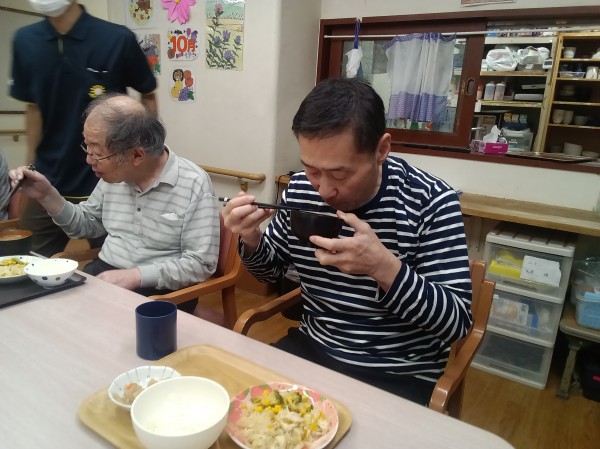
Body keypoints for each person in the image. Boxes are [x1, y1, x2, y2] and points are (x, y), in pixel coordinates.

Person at [222, 78, 473, 405]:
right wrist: (251, 237)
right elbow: (269, 272)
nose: (324, 190)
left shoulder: (430, 202)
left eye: (340, 174)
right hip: (314, 349)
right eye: (312, 170)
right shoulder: (301, 190)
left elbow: (456, 324)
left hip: (398, 370)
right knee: (240, 409)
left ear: (381, 150)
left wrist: (384, 268)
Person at [9, 94, 219, 310]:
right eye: (87, 147)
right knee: (41, 310)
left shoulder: (193, 182)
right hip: (106, 273)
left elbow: (200, 264)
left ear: (137, 155)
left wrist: (136, 276)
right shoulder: (114, 178)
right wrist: (46, 194)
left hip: (163, 290)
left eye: (97, 153)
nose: (89, 160)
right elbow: (85, 225)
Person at [9, 0, 158, 256]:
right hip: (48, 176)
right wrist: (30, 165)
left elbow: (148, 93)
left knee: (113, 262)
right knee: (26, 261)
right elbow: (33, 109)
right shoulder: (25, 40)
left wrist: (147, 158)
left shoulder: (117, 39)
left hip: (110, 177)